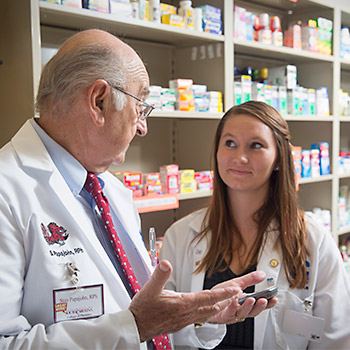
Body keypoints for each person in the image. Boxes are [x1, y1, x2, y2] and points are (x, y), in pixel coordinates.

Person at [0, 30, 276, 349]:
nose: (143, 127)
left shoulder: (112, 194)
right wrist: (135, 325)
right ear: (99, 101)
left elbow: (136, 313)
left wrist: (196, 315)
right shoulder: (7, 191)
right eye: (140, 107)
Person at [159, 101, 350, 349]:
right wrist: (200, 321)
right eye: (229, 143)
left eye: (256, 145)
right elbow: (162, 329)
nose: (239, 157)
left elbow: (335, 339)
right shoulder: (181, 236)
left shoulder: (314, 241)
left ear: (280, 158)